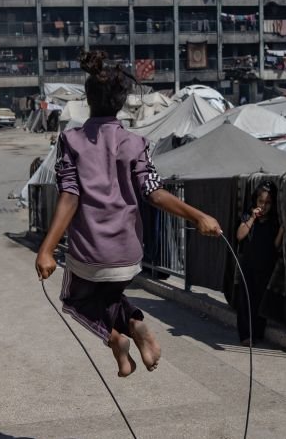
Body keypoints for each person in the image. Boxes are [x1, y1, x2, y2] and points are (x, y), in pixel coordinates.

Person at [36, 50, 223, 378]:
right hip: (128, 253)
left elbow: (70, 196)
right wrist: (199, 216)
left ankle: (118, 338)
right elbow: (154, 192)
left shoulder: (71, 140)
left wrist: (46, 249)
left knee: (74, 300)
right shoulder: (136, 142)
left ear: (88, 100)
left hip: (91, 252)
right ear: (121, 103)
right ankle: (136, 329)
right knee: (109, 296)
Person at [233, 182, 284, 346]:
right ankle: (245, 335)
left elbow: (275, 246)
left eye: (268, 203)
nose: (264, 206)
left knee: (260, 299)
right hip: (248, 264)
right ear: (255, 201)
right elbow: (240, 235)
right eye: (261, 201)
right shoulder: (248, 217)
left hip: (265, 265)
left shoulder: (274, 221)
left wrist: (282, 230)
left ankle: (257, 332)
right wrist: (252, 218)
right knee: (245, 299)